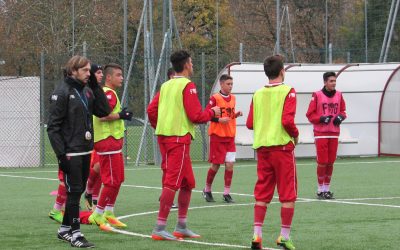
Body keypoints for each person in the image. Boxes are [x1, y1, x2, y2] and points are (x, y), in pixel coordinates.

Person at [147, 50, 221, 241]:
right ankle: (159, 227)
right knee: (172, 182)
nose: (193, 65)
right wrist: (212, 112)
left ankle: (181, 225)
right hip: (178, 139)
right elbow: (196, 116)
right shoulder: (187, 86)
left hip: (167, 138)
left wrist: (161, 127)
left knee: (188, 182)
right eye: (192, 62)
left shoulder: (166, 85)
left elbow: (151, 110)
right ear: (187, 64)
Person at [47, 55, 110, 248]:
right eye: (85, 70)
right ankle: (76, 234)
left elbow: (103, 111)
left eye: (89, 70)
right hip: (70, 152)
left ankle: (64, 229)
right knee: (73, 192)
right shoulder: (62, 91)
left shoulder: (88, 91)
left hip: (85, 150)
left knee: (78, 190)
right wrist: (60, 156)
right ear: (73, 71)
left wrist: (95, 85)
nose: (88, 73)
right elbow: (53, 127)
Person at [246, 55, 299, 250]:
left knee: (262, 192)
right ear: (282, 71)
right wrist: (296, 134)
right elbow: (287, 121)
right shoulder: (288, 91)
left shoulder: (257, 93)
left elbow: (250, 123)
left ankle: (257, 235)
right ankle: (284, 236)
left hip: (262, 149)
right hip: (282, 148)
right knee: (288, 194)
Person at [88, 63, 133, 230]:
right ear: (109, 77)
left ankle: (109, 212)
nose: (121, 78)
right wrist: (121, 115)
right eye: (118, 75)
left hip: (113, 142)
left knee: (119, 178)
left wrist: (121, 116)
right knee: (111, 180)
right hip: (107, 141)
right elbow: (102, 117)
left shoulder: (110, 93)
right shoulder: (107, 94)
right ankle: (97, 214)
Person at [306, 72, 347, 200]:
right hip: (321, 134)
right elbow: (310, 114)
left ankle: (326, 189)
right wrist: (321, 118)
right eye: (331, 81)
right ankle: (320, 190)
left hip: (334, 134)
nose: (333, 83)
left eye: (335, 81)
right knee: (322, 162)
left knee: (330, 162)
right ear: (325, 82)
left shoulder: (339, 95)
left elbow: (343, 111)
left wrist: (340, 117)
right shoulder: (317, 95)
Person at [202, 74, 242, 203]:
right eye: (228, 84)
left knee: (230, 165)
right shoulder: (215, 98)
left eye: (231, 84)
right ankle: (207, 189)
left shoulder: (233, 98)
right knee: (216, 165)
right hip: (217, 137)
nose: (230, 86)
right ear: (221, 84)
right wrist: (219, 120)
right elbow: (207, 115)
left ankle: (226, 193)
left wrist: (236, 115)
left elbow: (228, 116)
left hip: (230, 137)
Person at [84, 64, 104, 211]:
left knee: (102, 168)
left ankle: (93, 198)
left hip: (101, 135)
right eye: (98, 72)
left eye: (102, 72)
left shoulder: (99, 91)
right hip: (92, 136)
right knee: (97, 167)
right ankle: (89, 191)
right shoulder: (87, 91)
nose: (101, 75)